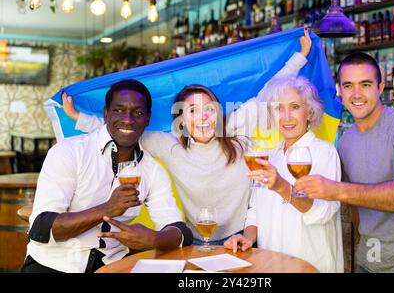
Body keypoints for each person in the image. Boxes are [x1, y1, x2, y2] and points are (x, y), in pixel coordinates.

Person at [62, 27, 313, 246]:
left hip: (242, 238)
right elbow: (125, 128)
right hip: (194, 240)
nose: (203, 116)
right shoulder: (169, 146)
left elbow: (267, 94)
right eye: (193, 110)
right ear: (182, 120)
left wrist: (300, 57)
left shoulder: (235, 128)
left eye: (208, 109)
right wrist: (78, 117)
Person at [295, 52, 394, 273]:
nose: (356, 94)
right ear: (340, 90)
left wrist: (337, 190)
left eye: (365, 84)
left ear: (380, 86)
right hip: (370, 263)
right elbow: (356, 211)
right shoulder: (346, 141)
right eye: (348, 85)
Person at [23, 79, 193, 273]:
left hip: (114, 264)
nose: (128, 119)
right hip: (53, 264)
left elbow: (180, 231)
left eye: (137, 113)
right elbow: (41, 228)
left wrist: (155, 238)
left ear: (147, 119)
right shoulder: (68, 151)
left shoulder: (151, 169)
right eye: (119, 110)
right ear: (106, 113)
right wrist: (107, 208)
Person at [224, 75, 344, 273]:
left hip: (311, 265)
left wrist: (281, 187)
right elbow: (254, 212)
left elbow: (323, 213)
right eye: (279, 108)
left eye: (295, 107)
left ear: (309, 112)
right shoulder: (269, 156)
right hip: (270, 265)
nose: (286, 117)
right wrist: (248, 238)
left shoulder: (324, 152)